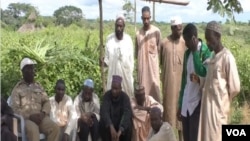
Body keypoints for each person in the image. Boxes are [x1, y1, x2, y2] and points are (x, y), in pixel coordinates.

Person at [198, 21, 241, 141]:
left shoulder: (227, 57)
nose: (208, 43)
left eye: (210, 39)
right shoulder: (212, 57)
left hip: (218, 113)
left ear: (218, 37)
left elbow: (235, 88)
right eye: (206, 39)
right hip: (207, 111)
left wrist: (223, 101)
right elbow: (211, 82)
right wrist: (201, 80)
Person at [10, 57, 60, 141]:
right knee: (33, 130)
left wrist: (43, 113)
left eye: (32, 68)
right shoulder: (17, 89)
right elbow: (15, 110)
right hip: (26, 120)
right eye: (29, 69)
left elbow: (46, 102)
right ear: (23, 72)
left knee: (55, 128)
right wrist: (30, 116)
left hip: (41, 117)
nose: (32, 71)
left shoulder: (39, 86)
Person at [177, 23, 211, 141]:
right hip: (186, 102)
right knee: (187, 137)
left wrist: (196, 52)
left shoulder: (205, 51)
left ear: (193, 38)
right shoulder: (187, 54)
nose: (185, 44)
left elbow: (203, 73)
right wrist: (180, 104)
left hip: (197, 104)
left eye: (186, 40)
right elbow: (184, 81)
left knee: (195, 137)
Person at [160, 16, 186, 140]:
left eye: (181, 29)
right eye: (177, 29)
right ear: (172, 28)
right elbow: (160, 62)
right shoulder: (164, 43)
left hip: (182, 85)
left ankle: (181, 138)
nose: (179, 31)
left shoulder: (184, 43)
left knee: (181, 112)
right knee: (169, 112)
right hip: (168, 84)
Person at [103, 14, 134, 97]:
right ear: (115, 25)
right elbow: (106, 60)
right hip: (113, 76)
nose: (118, 28)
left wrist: (128, 73)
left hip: (125, 78)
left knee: (127, 98)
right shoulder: (109, 39)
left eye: (120, 26)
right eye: (117, 26)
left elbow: (131, 61)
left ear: (124, 26)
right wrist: (102, 62)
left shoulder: (128, 40)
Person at [135, 6, 161, 102]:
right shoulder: (138, 34)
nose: (146, 21)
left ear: (150, 17)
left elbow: (159, 50)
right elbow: (136, 53)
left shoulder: (156, 32)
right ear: (141, 18)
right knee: (143, 95)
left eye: (148, 18)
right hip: (142, 71)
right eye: (144, 18)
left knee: (156, 94)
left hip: (153, 71)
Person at [100, 75, 132, 141]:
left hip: (121, 126)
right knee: (102, 122)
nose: (114, 91)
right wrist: (111, 127)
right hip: (109, 125)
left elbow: (127, 114)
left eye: (116, 89)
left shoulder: (125, 97)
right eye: (112, 88)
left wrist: (120, 131)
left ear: (120, 88)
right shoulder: (107, 96)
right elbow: (104, 112)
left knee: (128, 124)